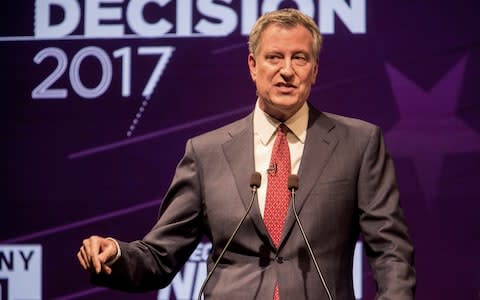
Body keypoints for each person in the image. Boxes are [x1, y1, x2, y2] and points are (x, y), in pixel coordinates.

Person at [77, 8, 416, 299]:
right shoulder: (206, 152)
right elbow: (160, 255)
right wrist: (116, 254)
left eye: (299, 58)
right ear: (253, 66)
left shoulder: (358, 142)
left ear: (314, 69)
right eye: (274, 57)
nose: (286, 70)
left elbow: (390, 251)